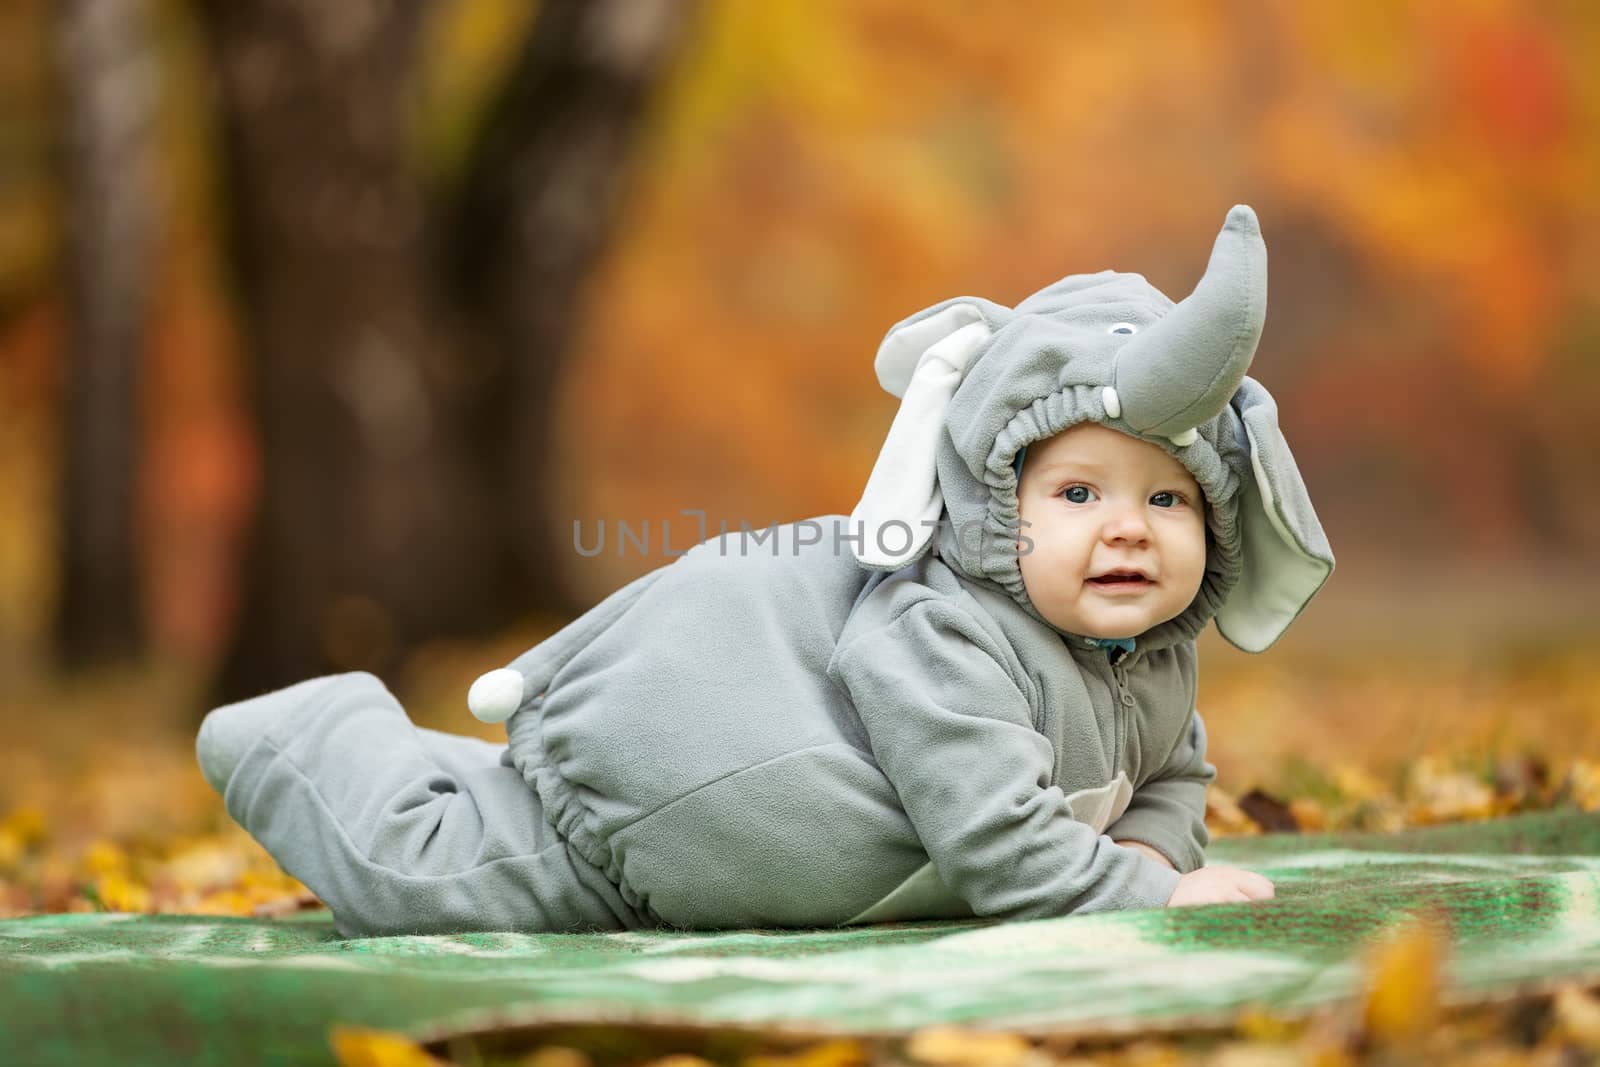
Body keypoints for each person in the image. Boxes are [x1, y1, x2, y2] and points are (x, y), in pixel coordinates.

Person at [197, 204, 1333, 938]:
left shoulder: (1153, 662)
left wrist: (1145, 845)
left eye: (1167, 498)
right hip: (658, 806)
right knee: (432, 880)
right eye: (1078, 493)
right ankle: (310, 733)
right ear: (997, 505)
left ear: (1218, 525)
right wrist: (1141, 890)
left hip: (729, 821)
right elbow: (996, 834)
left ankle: (445, 758)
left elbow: (1172, 778)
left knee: (489, 798)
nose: (1127, 529)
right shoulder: (947, 633)